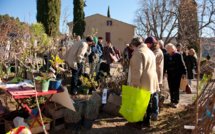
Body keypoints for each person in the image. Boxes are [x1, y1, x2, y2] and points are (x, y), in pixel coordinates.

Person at [129, 37, 159, 128]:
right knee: (149, 101)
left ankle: (139, 122)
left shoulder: (138, 52)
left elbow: (137, 69)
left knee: (139, 102)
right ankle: (147, 121)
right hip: (151, 80)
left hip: (143, 80)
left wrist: (135, 83)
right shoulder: (149, 51)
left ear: (135, 45)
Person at [145, 36, 164, 121]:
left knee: (155, 94)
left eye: (148, 44)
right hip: (153, 75)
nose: (147, 45)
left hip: (156, 76)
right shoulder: (154, 51)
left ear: (152, 44)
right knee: (152, 95)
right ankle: (152, 112)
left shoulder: (157, 52)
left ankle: (155, 113)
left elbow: (152, 60)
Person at [164, 43, 186, 108]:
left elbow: (182, 64)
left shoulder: (178, 55)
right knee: (171, 88)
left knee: (176, 88)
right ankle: (172, 101)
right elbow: (164, 65)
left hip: (177, 74)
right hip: (170, 74)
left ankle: (176, 102)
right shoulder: (166, 56)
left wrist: (184, 72)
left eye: (169, 48)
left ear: (173, 49)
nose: (167, 50)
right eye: (167, 48)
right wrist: (164, 72)